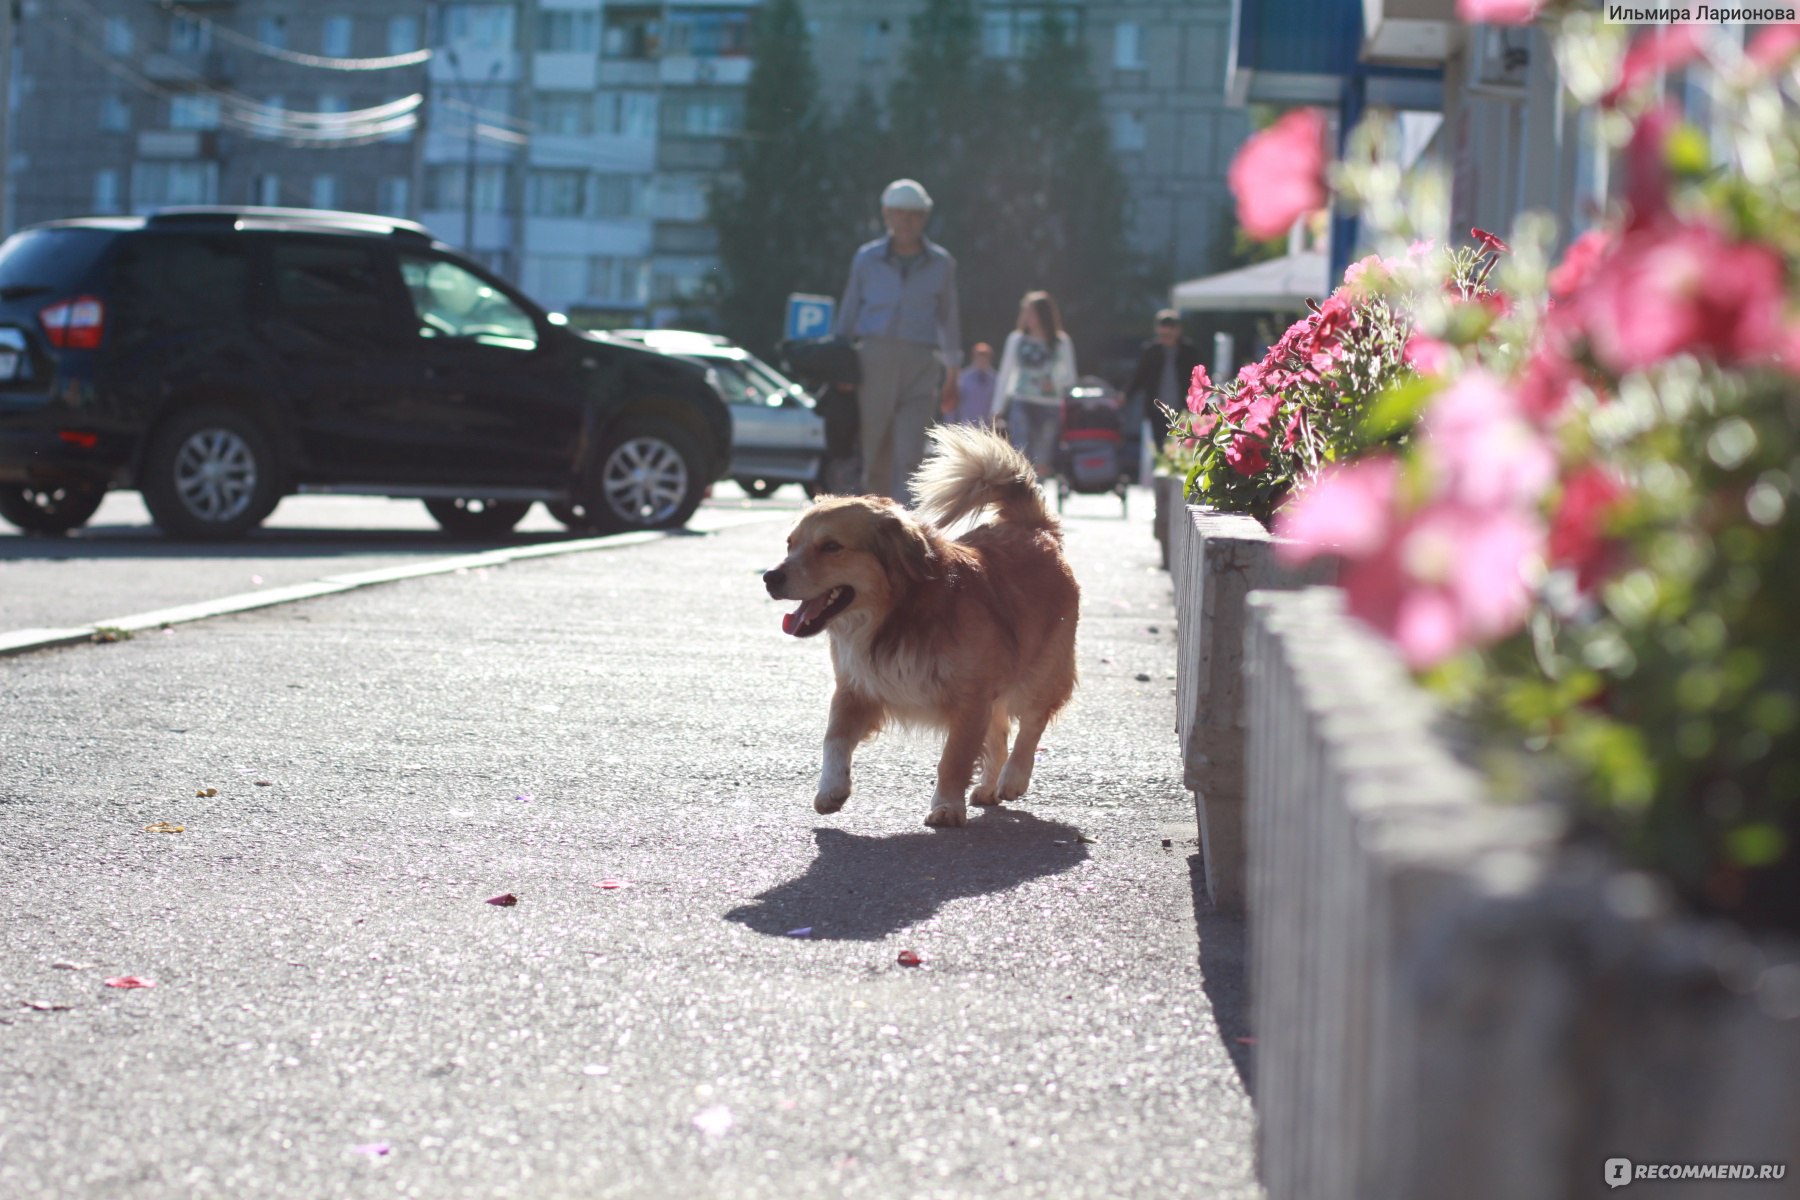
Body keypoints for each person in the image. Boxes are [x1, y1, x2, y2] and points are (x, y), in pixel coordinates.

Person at [835, 178, 962, 501]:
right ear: (886, 214)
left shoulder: (941, 263)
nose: (907, 222)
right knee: (875, 448)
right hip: (873, 358)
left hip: (921, 362)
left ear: (925, 217)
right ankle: (878, 522)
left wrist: (953, 373)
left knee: (911, 452)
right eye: (900, 214)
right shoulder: (866, 259)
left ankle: (906, 527)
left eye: (915, 215)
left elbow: (949, 317)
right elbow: (849, 309)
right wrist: (840, 363)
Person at [993, 290, 1077, 476]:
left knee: (1042, 457)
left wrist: (1054, 382)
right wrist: (997, 408)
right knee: (1021, 453)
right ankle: (1022, 495)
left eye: (1032, 312)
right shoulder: (1016, 340)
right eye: (1026, 311)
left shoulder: (1060, 342)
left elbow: (1070, 377)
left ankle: (1038, 495)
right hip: (1022, 401)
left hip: (1049, 406)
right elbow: (1006, 374)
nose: (1028, 317)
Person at [1127, 308, 1204, 448]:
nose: (1167, 332)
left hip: (1183, 408)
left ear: (1178, 330)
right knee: (1160, 446)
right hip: (1157, 410)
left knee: (1182, 445)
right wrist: (1125, 396)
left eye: (1171, 327)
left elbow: (1199, 378)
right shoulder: (1150, 351)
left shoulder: (1190, 351)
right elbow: (1139, 377)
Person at [950, 342, 997, 425]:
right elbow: (953, 403)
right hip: (966, 427)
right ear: (973, 357)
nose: (982, 359)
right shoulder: (963, 378)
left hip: (988, 428)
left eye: (985, 356)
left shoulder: (996, 380)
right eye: (979, 356)